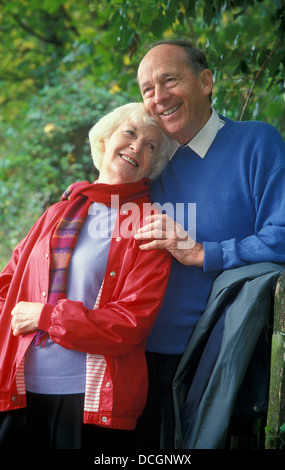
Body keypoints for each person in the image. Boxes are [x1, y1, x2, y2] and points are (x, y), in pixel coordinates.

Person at [134, 38, 285, 448]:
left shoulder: (256, 143)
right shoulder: (148, 160)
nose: (159, 97)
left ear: (205, 82)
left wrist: (203, 253)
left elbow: (282, 236)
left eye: (169, 81)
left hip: (219, 361)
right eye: (148, 89)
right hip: (137, 355)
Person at [0, 102, 176, 450]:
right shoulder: (58, 211)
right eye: (129, 133)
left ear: (153, 165)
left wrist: (48, 316)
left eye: (151, 146)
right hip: (20, 389)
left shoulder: (147, 224)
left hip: (89, 402)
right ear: (104, 139)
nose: (137, 147)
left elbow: (131, 321)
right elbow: (9, 283)